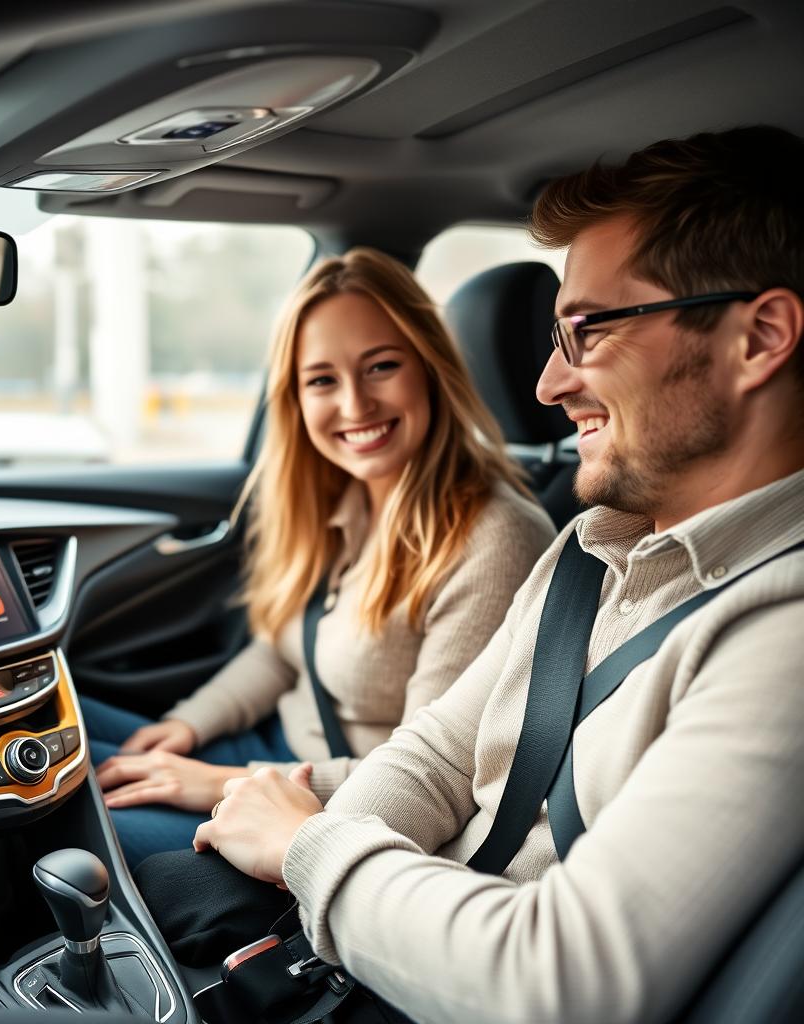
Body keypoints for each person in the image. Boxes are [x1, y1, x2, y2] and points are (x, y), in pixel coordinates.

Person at [188, 126, 804, 1022]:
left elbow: (557, 982)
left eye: (588, 330)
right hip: (400, 937)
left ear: (761, 338)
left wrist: (309, 851)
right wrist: (312, 873)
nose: (550, 382)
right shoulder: (590, 545)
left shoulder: (781, 633)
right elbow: (437, 753)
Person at [81, 247, 555, 866]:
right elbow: (282, 651)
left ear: (431, 369)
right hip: (266, 755)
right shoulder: (348, 499)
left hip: (335, 803)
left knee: (72, 819)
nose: (355, 406)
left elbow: (436, 772)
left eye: (381, 366)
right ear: (296, 398)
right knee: (38, 738)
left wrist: (213, 782)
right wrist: (189, 726)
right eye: (323, 380)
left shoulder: (494, 538)